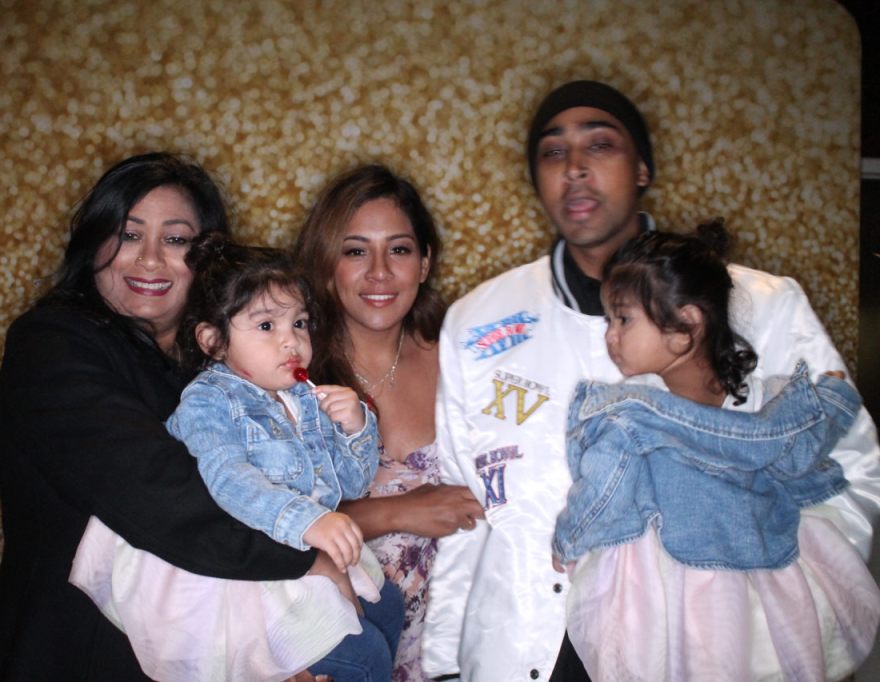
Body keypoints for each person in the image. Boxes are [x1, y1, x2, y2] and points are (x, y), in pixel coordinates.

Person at [422, 81, 880, 681]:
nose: (575, 167)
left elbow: (850, 470)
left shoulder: (759, 304)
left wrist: (773, 596)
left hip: (711, 650)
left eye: (600, 144)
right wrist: (444, 662)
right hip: (522, 645)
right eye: (553, 152)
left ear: (643, 168)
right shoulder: (478, 321)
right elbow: (465, 509)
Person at [0, 153, 335, 681]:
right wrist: (306, 559)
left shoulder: (223, 372)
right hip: (74, 651)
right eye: (128, 234)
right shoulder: (52, 343)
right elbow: (154, 490)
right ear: (95, 242)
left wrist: (274, 653)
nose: (149, 259)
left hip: (204, 654)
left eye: (175, 239)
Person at [69, 232, 404, 682]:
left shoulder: (304, 397)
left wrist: (357, 429)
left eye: (299, 324)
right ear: (213, 341)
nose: (291, 342)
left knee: (390, 607)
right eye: (266, 327)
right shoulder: (209, 401)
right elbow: (227, 479)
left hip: (294, 550)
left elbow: (351, 483)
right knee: (362, 657)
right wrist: (307, 520)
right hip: (241, 570)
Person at [552, 222, 880, 681]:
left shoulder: (630, 415)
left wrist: (567, 540)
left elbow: (602, 496)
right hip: (759, 596)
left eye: (622, 319)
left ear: (686, 325)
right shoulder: (769, 406)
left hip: (662, 597)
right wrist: (830, 399)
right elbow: (801, 453)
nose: (610, 335)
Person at [293, 164, 485, 681]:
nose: (379, 272)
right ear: (326, 264)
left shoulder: (466, 359)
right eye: (356, 251)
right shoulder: (287, 375)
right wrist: (402, 511)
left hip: (462, 644)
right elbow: (256, 521)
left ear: (424, 263)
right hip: (337, 643)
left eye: (398, 249)